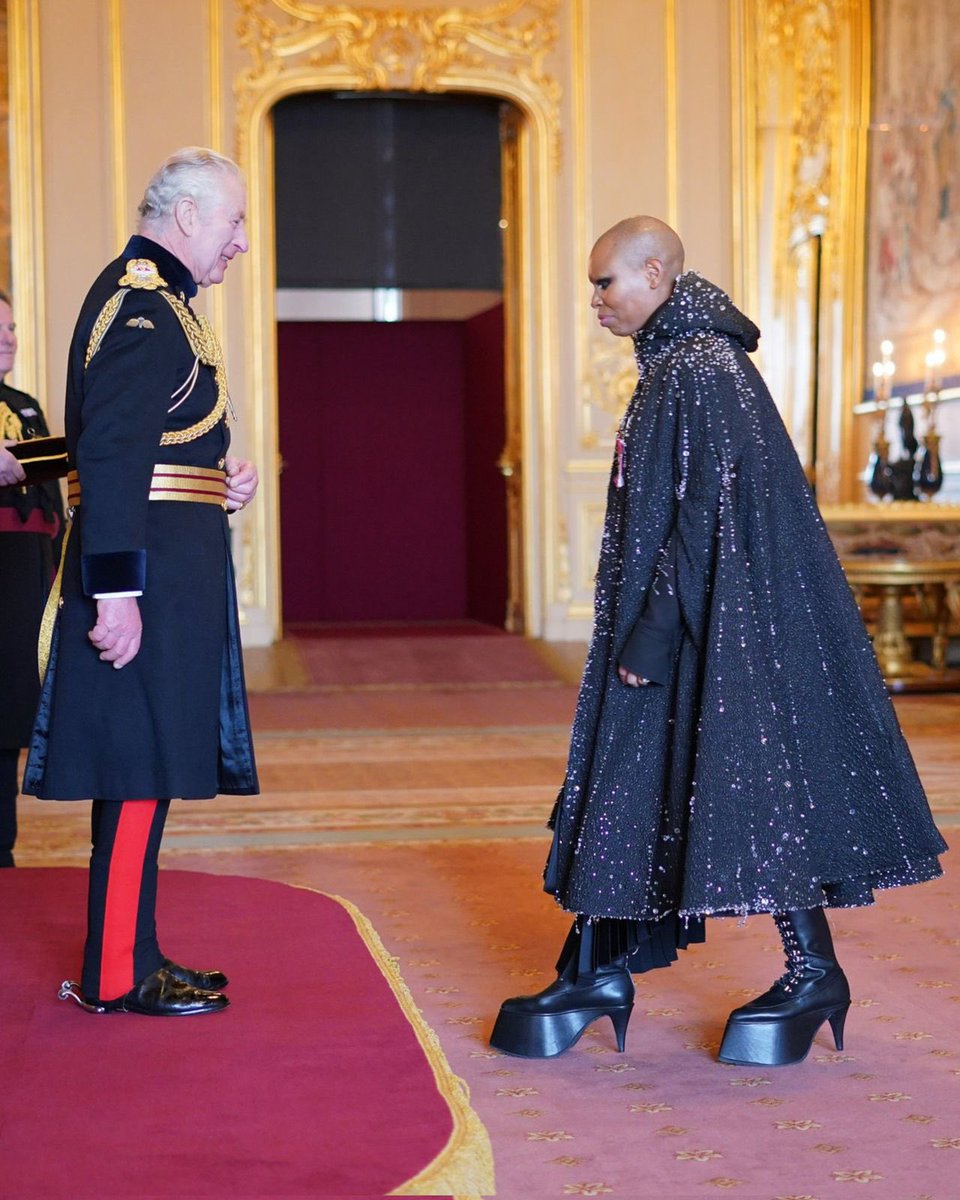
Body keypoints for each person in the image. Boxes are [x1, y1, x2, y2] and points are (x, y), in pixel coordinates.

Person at [490, 217, 947, 1066]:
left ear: (655, 273)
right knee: (650, 780)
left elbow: (706, 511)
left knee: (740, 786)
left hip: (708, 625)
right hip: (699, 616)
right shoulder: (683, 360)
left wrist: (653, 635)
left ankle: (793, 974)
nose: (595, 300)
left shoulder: (700, 367)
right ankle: (614, 968)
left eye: (605, 283)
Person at [22, 148, 260, 1016]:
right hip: (147, 581)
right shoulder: (142, 310)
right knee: (135, 769)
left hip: (170, 568)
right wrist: (116, 591)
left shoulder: (164, 306)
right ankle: (117, 974)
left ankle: (136, 953)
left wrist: (220, 478)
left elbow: (156, 446)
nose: (240, 243)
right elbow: (115, 453)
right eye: (234, 223)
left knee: (147, 769)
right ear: (189, 217)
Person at [0, 292, 65, 867]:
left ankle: (2, 851)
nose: (9, 339)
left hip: (25, 577)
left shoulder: (25, 405)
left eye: (13, 328)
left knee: (9, 716)